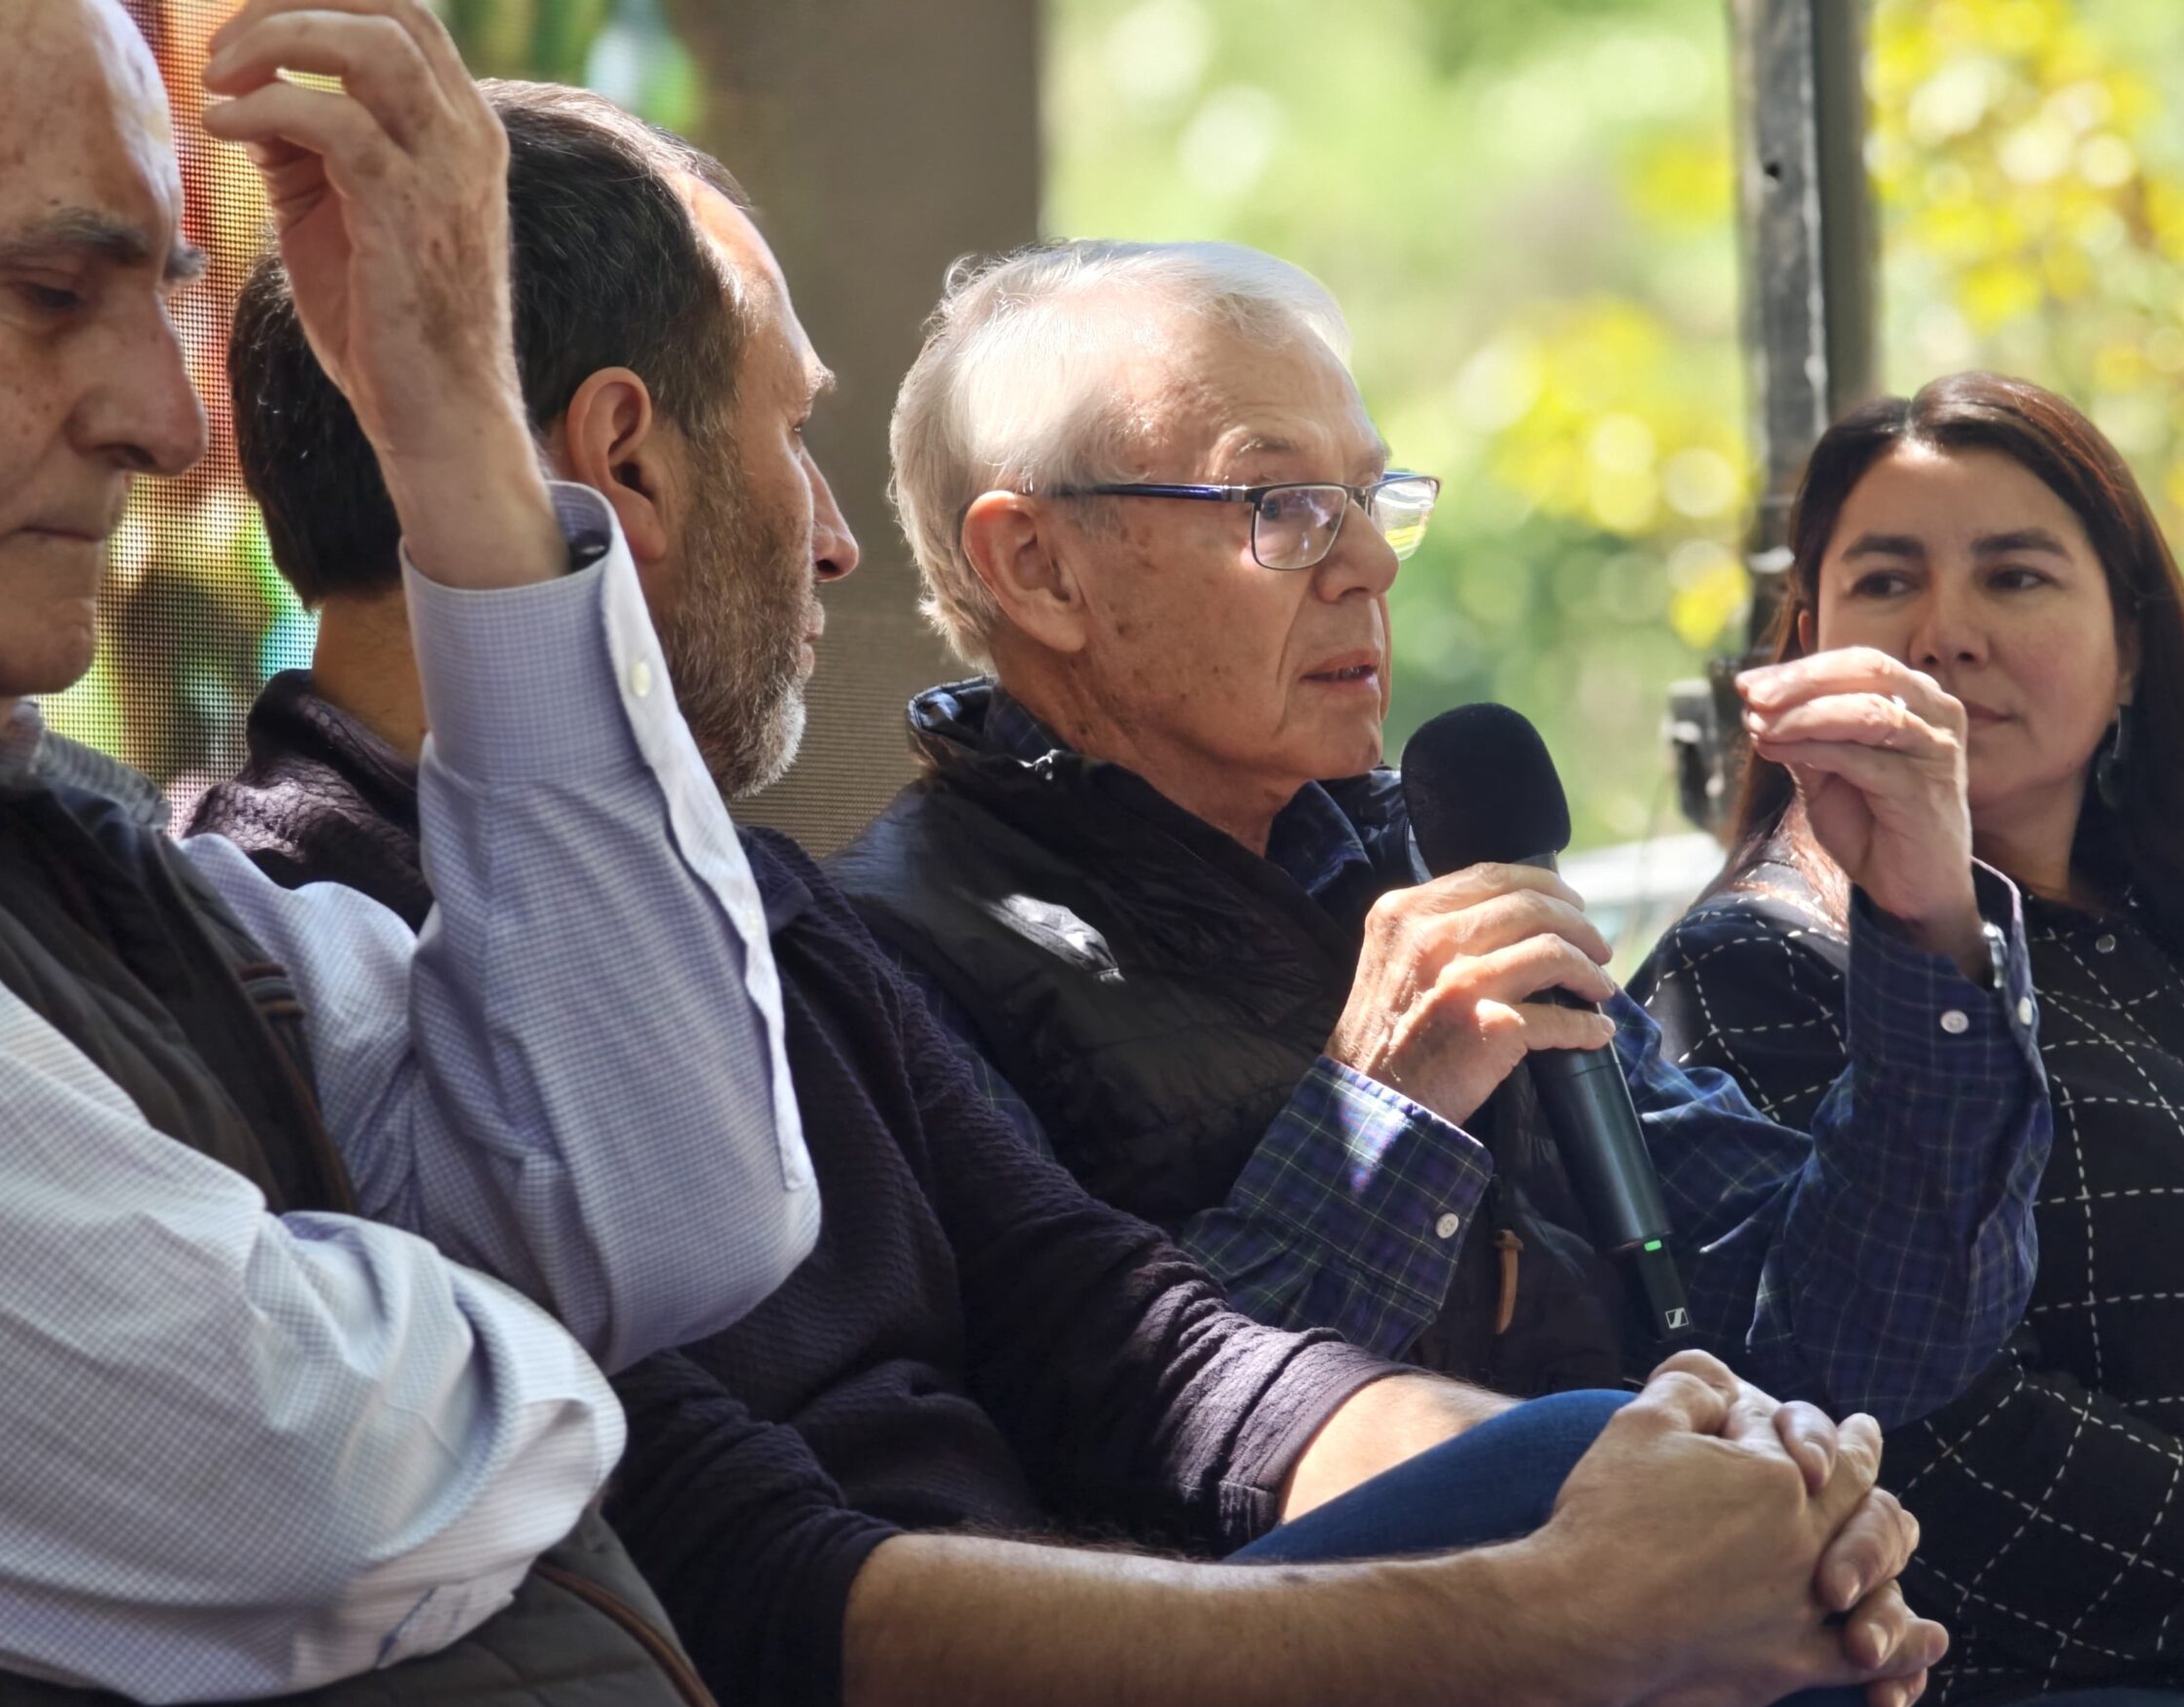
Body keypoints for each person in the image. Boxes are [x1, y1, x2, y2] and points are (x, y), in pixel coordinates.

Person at [203, 80, 2002, 1707]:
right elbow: (808, 1594)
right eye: (1282, 506)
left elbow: (1140, 1343)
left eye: (1371, 496)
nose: (832, 539)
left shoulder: (784, 897)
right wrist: (1556, 1573)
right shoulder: (303, 940)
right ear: (629, 461)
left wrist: (1701, 1488)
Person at [0, 1, 823, 1707]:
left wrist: (461, 445)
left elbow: (673, 1209)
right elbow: (299, 1475)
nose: (163, 416)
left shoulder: (60, 831)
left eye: (164, 294)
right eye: (45, 294)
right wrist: (528, 1357)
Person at [830, 238, 2047, 1424]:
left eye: (1369, 498)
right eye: (1282, 504)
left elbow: (1858, 1334)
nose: (1367, 562)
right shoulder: (887, 961)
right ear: (1039, 568)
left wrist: (1926, 931)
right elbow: (1093, 1488)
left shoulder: (1417, 856)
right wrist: (1377, 1117)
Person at [1632, 370, 2184, 1707]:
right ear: (1802, 647)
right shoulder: (1764, 967)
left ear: (2131, 653)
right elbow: (1935, 1441)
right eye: (1885, 579)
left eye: (2015, 573)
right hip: (2042, 1700)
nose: (1947, 631)